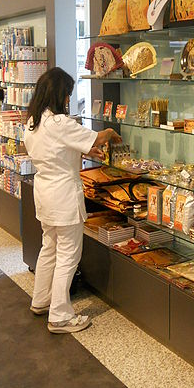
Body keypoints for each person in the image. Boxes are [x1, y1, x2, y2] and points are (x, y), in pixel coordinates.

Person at [24, 67, 120, 334]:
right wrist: (109, 132)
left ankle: (41, 300)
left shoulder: (33, 123)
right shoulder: (60, 123)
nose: (68, 99)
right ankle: (60, 316)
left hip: (45, 194)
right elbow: (96, 138)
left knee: (49, 248)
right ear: (58, 94)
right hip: (63, 195)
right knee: (68, 255)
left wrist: (85, 150)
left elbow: (59, 149)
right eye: (67, 93)